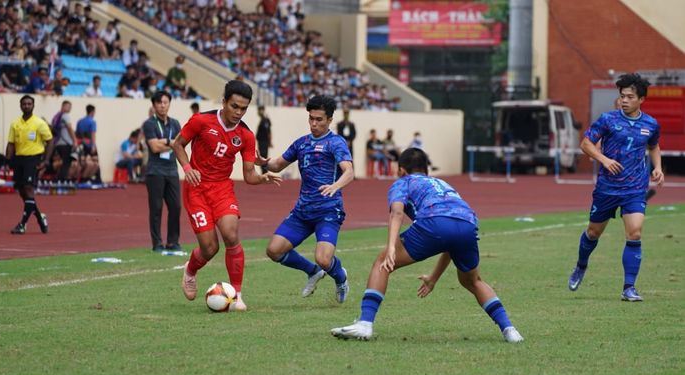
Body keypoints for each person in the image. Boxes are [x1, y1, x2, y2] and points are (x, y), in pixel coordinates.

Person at [331, 148, 524, 342]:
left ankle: (365, 324)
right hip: (467, 224)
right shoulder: (443, 184)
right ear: (426, 170)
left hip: (434, 222)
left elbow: (397, 213)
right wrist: (433, 278)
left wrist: (391, 247)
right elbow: (450, 241)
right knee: (472, 281)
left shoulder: (403, 182)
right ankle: (510, 330)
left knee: (382, 262)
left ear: (401, 171)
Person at [172, 79, 281, 311]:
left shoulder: (246, 136)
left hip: (222, 189)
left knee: (231, 235)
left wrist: (262, 178)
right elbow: (178, 144)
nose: (238, 112)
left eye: (243, 108)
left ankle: (237, 295)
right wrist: (188, 168)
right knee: (210, 248)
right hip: (197, 189)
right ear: (224, 102)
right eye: (234, 106)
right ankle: (190, 270)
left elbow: (249, 175)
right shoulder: (201, 121)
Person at [568, 73, 664, 302]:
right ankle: (581, 266)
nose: (624, 100)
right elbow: (585, 143)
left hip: (635, 188)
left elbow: (654, 146)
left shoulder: (650, 124)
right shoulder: (607, 120)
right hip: (607, 189)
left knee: (635, 232)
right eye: (622, 96)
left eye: (630, 97)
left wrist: (657, 167)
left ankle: (629, 287)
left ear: (641, 99)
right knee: (593, 233)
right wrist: (604, 159)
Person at [262, 95, 354, 303]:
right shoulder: (301, 143)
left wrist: (335, 186)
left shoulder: (336, 142)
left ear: (330, 119)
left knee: (323, 258)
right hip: (303, 211)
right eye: (311, 118)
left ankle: (341, 278)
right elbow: (277, 165)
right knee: (273, 251)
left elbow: (349, 171)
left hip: (328, 211)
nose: (314, 123)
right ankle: (312, 272)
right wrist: (263, 161)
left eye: (319, 119)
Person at [6, 95, 54, 234]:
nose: (27, 106)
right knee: (23, 193)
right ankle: (40, 217)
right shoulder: (15, 124)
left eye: (29, 104)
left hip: (33, 159)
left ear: (33, 106)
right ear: (20, 106)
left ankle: (22, 224)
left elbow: (50, 141)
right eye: (24, 104)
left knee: (28, 188)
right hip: (19, 159)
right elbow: (11, 143)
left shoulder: (39, 123)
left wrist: (45, 160)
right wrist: (8, 159)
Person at [143, 91, 182, 252]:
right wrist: (169, 142)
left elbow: (180, 145)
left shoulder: (175, 124)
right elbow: (154, 147)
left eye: (165, 102)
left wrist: (166, 143)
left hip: (172, 170)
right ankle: (157, 243)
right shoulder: (149, 124)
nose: (162, 105)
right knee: (156, 208)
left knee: (176, 207)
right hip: (155, 171)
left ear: (169, 104)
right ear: (154, 105)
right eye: (159, 103)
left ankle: (173, 242)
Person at [50, 100, 77, 181]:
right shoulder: (65, 115)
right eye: (68, 106)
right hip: (65, 143)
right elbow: (69, 128)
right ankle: (62, 180)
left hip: (57, 143)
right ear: (63, 106)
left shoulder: (55, 116)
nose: (70, 109)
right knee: (66, 163)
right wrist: (74, 140)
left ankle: (59, 178)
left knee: (62, 162)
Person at [255, 105, 272, 174]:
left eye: (260, 110)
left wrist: (270, 141)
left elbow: (268, 131)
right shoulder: (262, 120)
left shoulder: (265, 120)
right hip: (261, 142)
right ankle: (264, 172)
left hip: (264, 142)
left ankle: (265, 172)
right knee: (262, 157)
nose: (259, 112)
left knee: (263, 157)